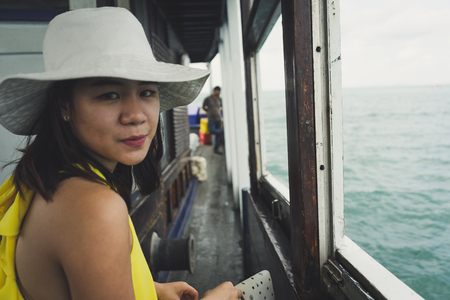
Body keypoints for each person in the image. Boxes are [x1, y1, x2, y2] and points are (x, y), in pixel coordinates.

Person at [0, 7, 243, 300]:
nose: (136, 115)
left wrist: (150, 289)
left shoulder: (41, 179)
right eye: (109, 95)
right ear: (64, 106)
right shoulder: (94, 208)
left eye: (147, 92)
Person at [202, 86, 223, 154]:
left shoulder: (220, 99)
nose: (219, 92)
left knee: (217, 136)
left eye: (219, 91)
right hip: (211, 119)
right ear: (214, 91)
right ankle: (223, 131)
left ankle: (216, 149)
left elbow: (221, 107)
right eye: (218, 91)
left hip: (218, 119)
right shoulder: (208, 98)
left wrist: (220, 112)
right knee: (211, 131)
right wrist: (208, 111)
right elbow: (203, 107)